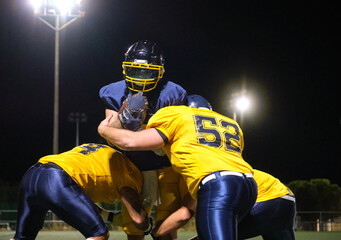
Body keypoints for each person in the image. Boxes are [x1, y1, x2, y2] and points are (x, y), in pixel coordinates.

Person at [98, 95, 258, 240]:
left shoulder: (180, 116)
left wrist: (104, 130)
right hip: (249, 186)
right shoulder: (230, 123)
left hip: (217, 184)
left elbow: (130, 141)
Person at [99, 40, 187, 240]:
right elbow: (110, 135)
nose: (140, 79)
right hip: (133, 165)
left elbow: (173, 134)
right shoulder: (115, 92)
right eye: (135, 71)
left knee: (166, 225)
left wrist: (142, 131)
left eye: (147, 72)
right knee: (134, 228)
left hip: (165, 165)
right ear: (125, 68)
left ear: (160, 72)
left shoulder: (173, 93)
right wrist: (125, 115)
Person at [11, 143, 152, 240]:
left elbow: (81, 201)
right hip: (58, 179)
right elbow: (138, 220)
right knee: (99, 234)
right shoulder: (130, 171)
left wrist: (110, 217)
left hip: (32, 174)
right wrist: (149, 226)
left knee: (22, 237)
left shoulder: (105, 150)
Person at [150, 169, 296, 240]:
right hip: (286, 199)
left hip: (267, 201)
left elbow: (184, 214)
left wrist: (156, 232)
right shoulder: (227, 165)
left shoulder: (205, 173)